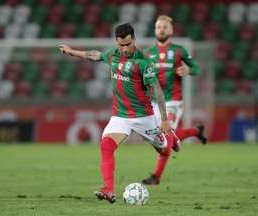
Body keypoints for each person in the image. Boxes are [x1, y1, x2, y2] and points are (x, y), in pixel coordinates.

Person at [59, 23, 178, 203]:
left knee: (164, 147)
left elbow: (158, 91)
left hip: (144, 117)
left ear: (134, 40)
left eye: (128, 44)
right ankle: (108, 190)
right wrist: (71, 51)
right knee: (106, 145)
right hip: (120, 116)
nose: (125, 49)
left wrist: (164, 120)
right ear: (116, 42)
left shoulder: (144, 63)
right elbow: (94, 55)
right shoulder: (113, 55)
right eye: (121, 45)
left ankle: (172, 138)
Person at [141, 15, 207, 185]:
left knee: (166, 134)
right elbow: (142, 77)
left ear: (171, 30)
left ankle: (156, 177)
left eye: (164, 27)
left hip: (173, 101)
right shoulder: (148, 53)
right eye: (158, 27)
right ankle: (195, 132)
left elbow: (196, 68)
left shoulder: (179, 51)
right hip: (155, 103)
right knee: (160, 136)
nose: (161, 29)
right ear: (155, 30)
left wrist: (188, 70)